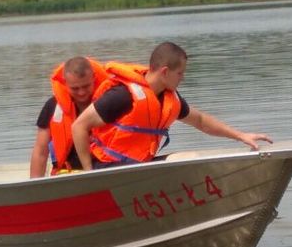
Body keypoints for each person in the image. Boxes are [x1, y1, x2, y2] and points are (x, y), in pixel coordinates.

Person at [71, 41, 271, 170]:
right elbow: (79, 126)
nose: (182, 78)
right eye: (180, 73)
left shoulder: (169, 98)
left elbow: (200, 121)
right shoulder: (123, 95)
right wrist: (89, 173)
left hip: (136, 167)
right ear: (165, 72)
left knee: (187, 159)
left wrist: (241, 136)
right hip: (106, 168)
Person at [29, 56, 108, 177]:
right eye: (75, 88)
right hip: (67, 173)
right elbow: (40, 151)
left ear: (94, 77)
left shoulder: (110, 101)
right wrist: (33, 189)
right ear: (65, 83)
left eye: (86, 86)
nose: (81, 92)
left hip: (105, 169)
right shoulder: (52, 106)